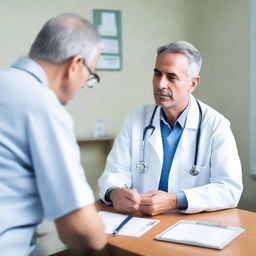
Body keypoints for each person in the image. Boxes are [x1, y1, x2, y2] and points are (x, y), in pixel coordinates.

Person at [0, 13, 107, 255]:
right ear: (75, 64)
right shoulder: (42, 106)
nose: (83, 85)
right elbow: (81, 232)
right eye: (89, 76)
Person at [98, 40, 243, 216]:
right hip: (141, 222)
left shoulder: (215, 125)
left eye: (171, 77)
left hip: (190, 226)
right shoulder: (136, 119)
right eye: (157, 74)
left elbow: (229, 189)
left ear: (193, 83)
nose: (160, 84)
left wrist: (175, 200)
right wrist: (115, 192)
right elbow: (115, 172)